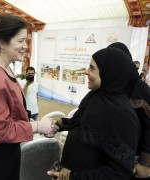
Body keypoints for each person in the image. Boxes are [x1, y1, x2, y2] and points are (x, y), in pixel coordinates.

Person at [0, 14, 55, 180]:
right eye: (20, 41)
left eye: (26, 41)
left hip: (4, 151)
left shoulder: (1, 68)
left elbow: (9, 115)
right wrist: (37, 127)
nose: (25, 46)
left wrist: (34, 125)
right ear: (2, 43)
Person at [47, 47, 140, 180]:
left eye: (92, 68)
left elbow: (119, 173)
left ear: (109, 72)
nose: (86, 72)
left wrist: (71, 177)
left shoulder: (122, 116)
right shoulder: (95, 97)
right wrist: (59, 124)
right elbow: (80, 121)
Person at [108, 42, 150, 179]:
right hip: (111, 158)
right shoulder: (109, 85)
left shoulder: (140, 88)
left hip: (134, 161)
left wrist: (145, 164)